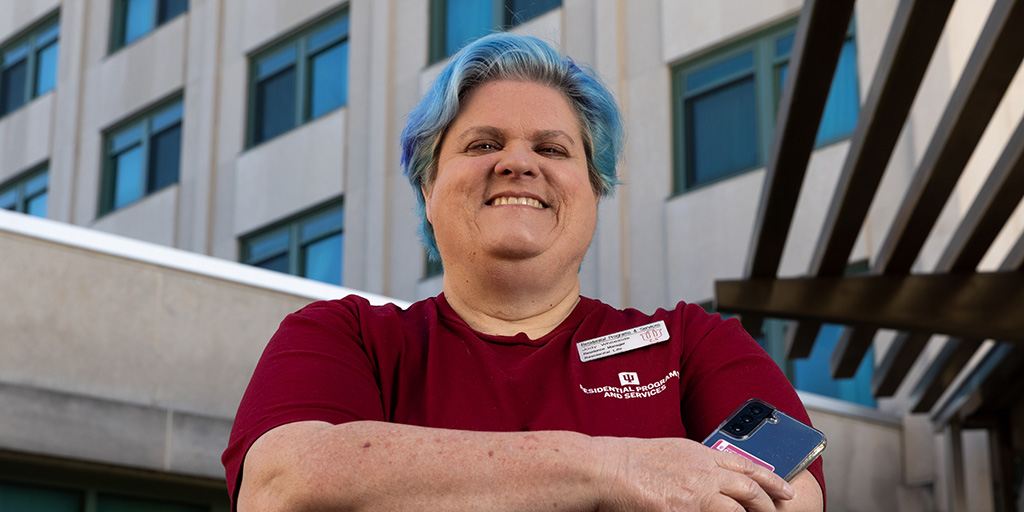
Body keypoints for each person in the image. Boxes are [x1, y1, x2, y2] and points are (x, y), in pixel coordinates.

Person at [222, 33, 825, 511]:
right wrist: (614, 471)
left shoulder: (698, 346)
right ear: (428, 188)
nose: (517, 162)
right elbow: (284, 486)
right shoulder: (345, 337)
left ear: (595, 189)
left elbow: (788, 502)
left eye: (553, 149)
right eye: (482, 144)